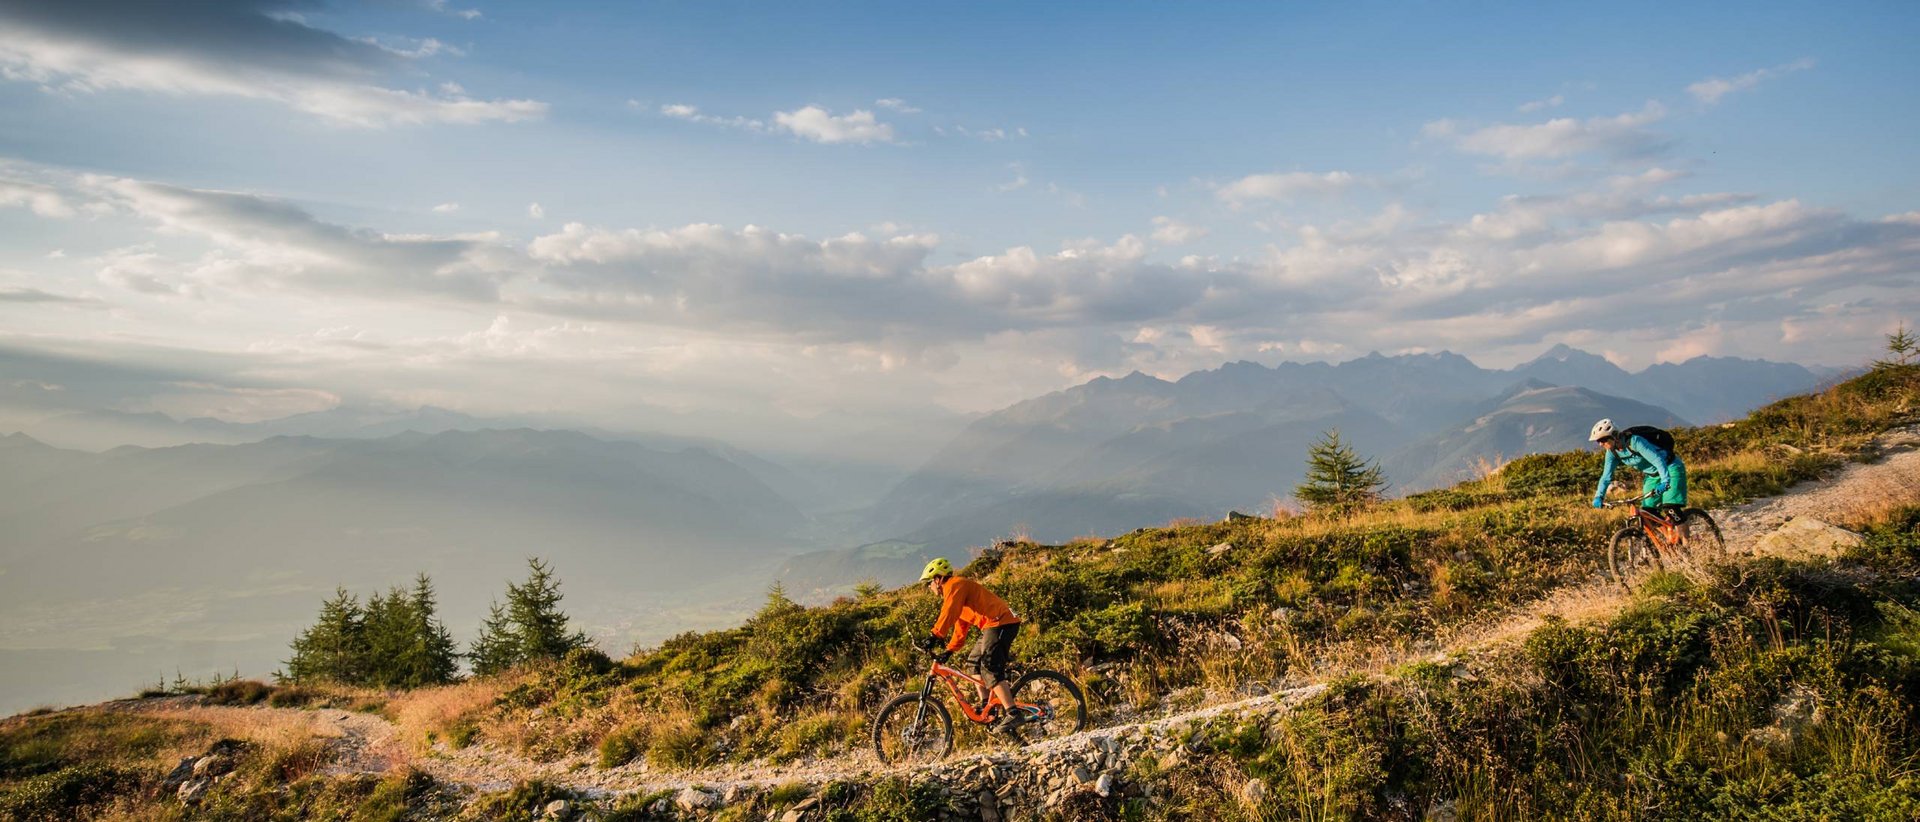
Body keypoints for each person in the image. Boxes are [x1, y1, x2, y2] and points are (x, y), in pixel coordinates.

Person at [916, 557, 1025, 731]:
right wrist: (950, 650)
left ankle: (1013, 713)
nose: (928, 587)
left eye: (928, 583)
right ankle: (987, 707)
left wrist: (934, 635)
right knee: (973, 662)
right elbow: (960, 626)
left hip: (1001, 622)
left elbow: (949, 612)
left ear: (937, 579)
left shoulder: (955, 585)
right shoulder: (955, 593)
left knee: (990, 666)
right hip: (991, 625)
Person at [1588, 419, 1687, 520]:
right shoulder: (1612, 453)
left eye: (1603, 440)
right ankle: (1667, 534)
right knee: (1648, 513)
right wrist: (1598, 496)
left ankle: (1687, 536)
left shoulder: (1635, 442)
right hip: (1652, 476)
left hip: (1670, 468)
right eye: (1598, 441)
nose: (1600, 444)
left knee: (1671, 509)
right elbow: (1606, 477)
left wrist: (1665, 480)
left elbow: (1658, 460)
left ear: (1614, 435)